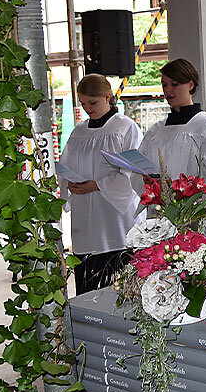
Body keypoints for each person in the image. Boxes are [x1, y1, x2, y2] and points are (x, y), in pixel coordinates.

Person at [59, 74, 144, 294]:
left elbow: (133, 173)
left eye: (93, 102)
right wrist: (68, 182)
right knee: (88, 290)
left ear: (108, 97)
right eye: (83, 103)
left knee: (120, 288)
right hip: (85, 219)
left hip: (116, 219)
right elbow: (65, 165)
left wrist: (96, 185)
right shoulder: (78, 131)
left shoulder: (126, 128)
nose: (88, 108)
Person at [139, 58, 206, 248]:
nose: (168, 90)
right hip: (162, 214)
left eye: (175, 84)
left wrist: (185, 195)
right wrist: (148, 181)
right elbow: (140, 166)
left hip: (196, 214)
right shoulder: (156, 130)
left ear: (191, 84)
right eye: (164, 84)